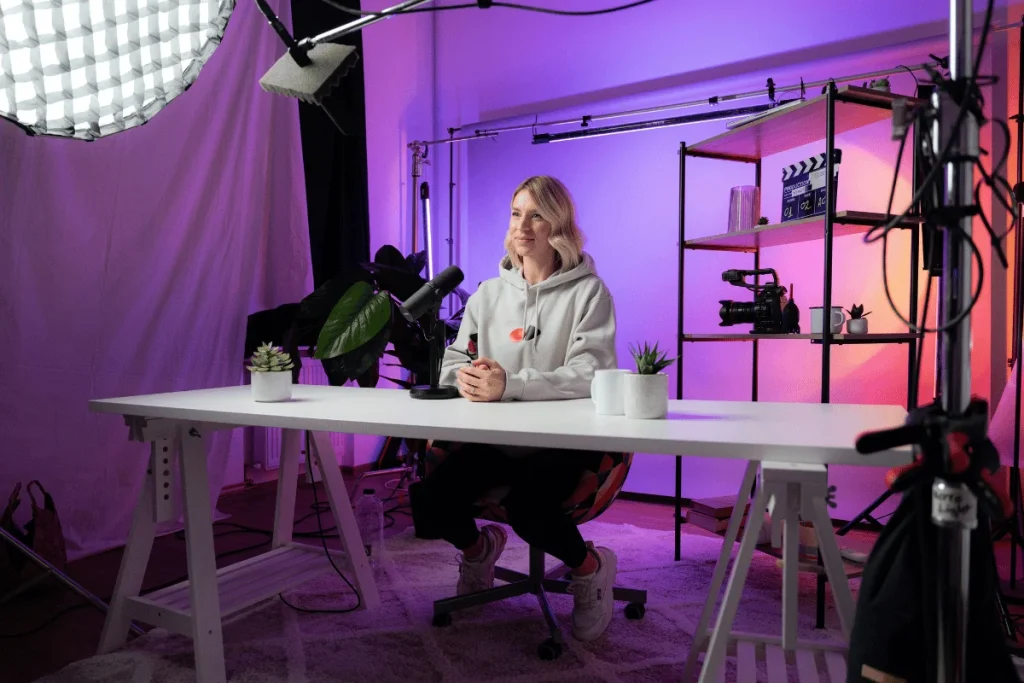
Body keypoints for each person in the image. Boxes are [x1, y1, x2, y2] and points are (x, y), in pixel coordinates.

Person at [410, 175, 620, 642]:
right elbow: (455, 360)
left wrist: (512, 384)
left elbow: (593, 373)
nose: (522, 226)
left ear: (558, 224)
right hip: (497, 442)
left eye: (537, 214)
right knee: (430, 500)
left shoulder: (589, 293)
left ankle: (591, 568)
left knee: (531, 509)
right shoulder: (488, 293)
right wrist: (463, 377)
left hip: (566, 443)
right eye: (515, 213)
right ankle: (479, 550)